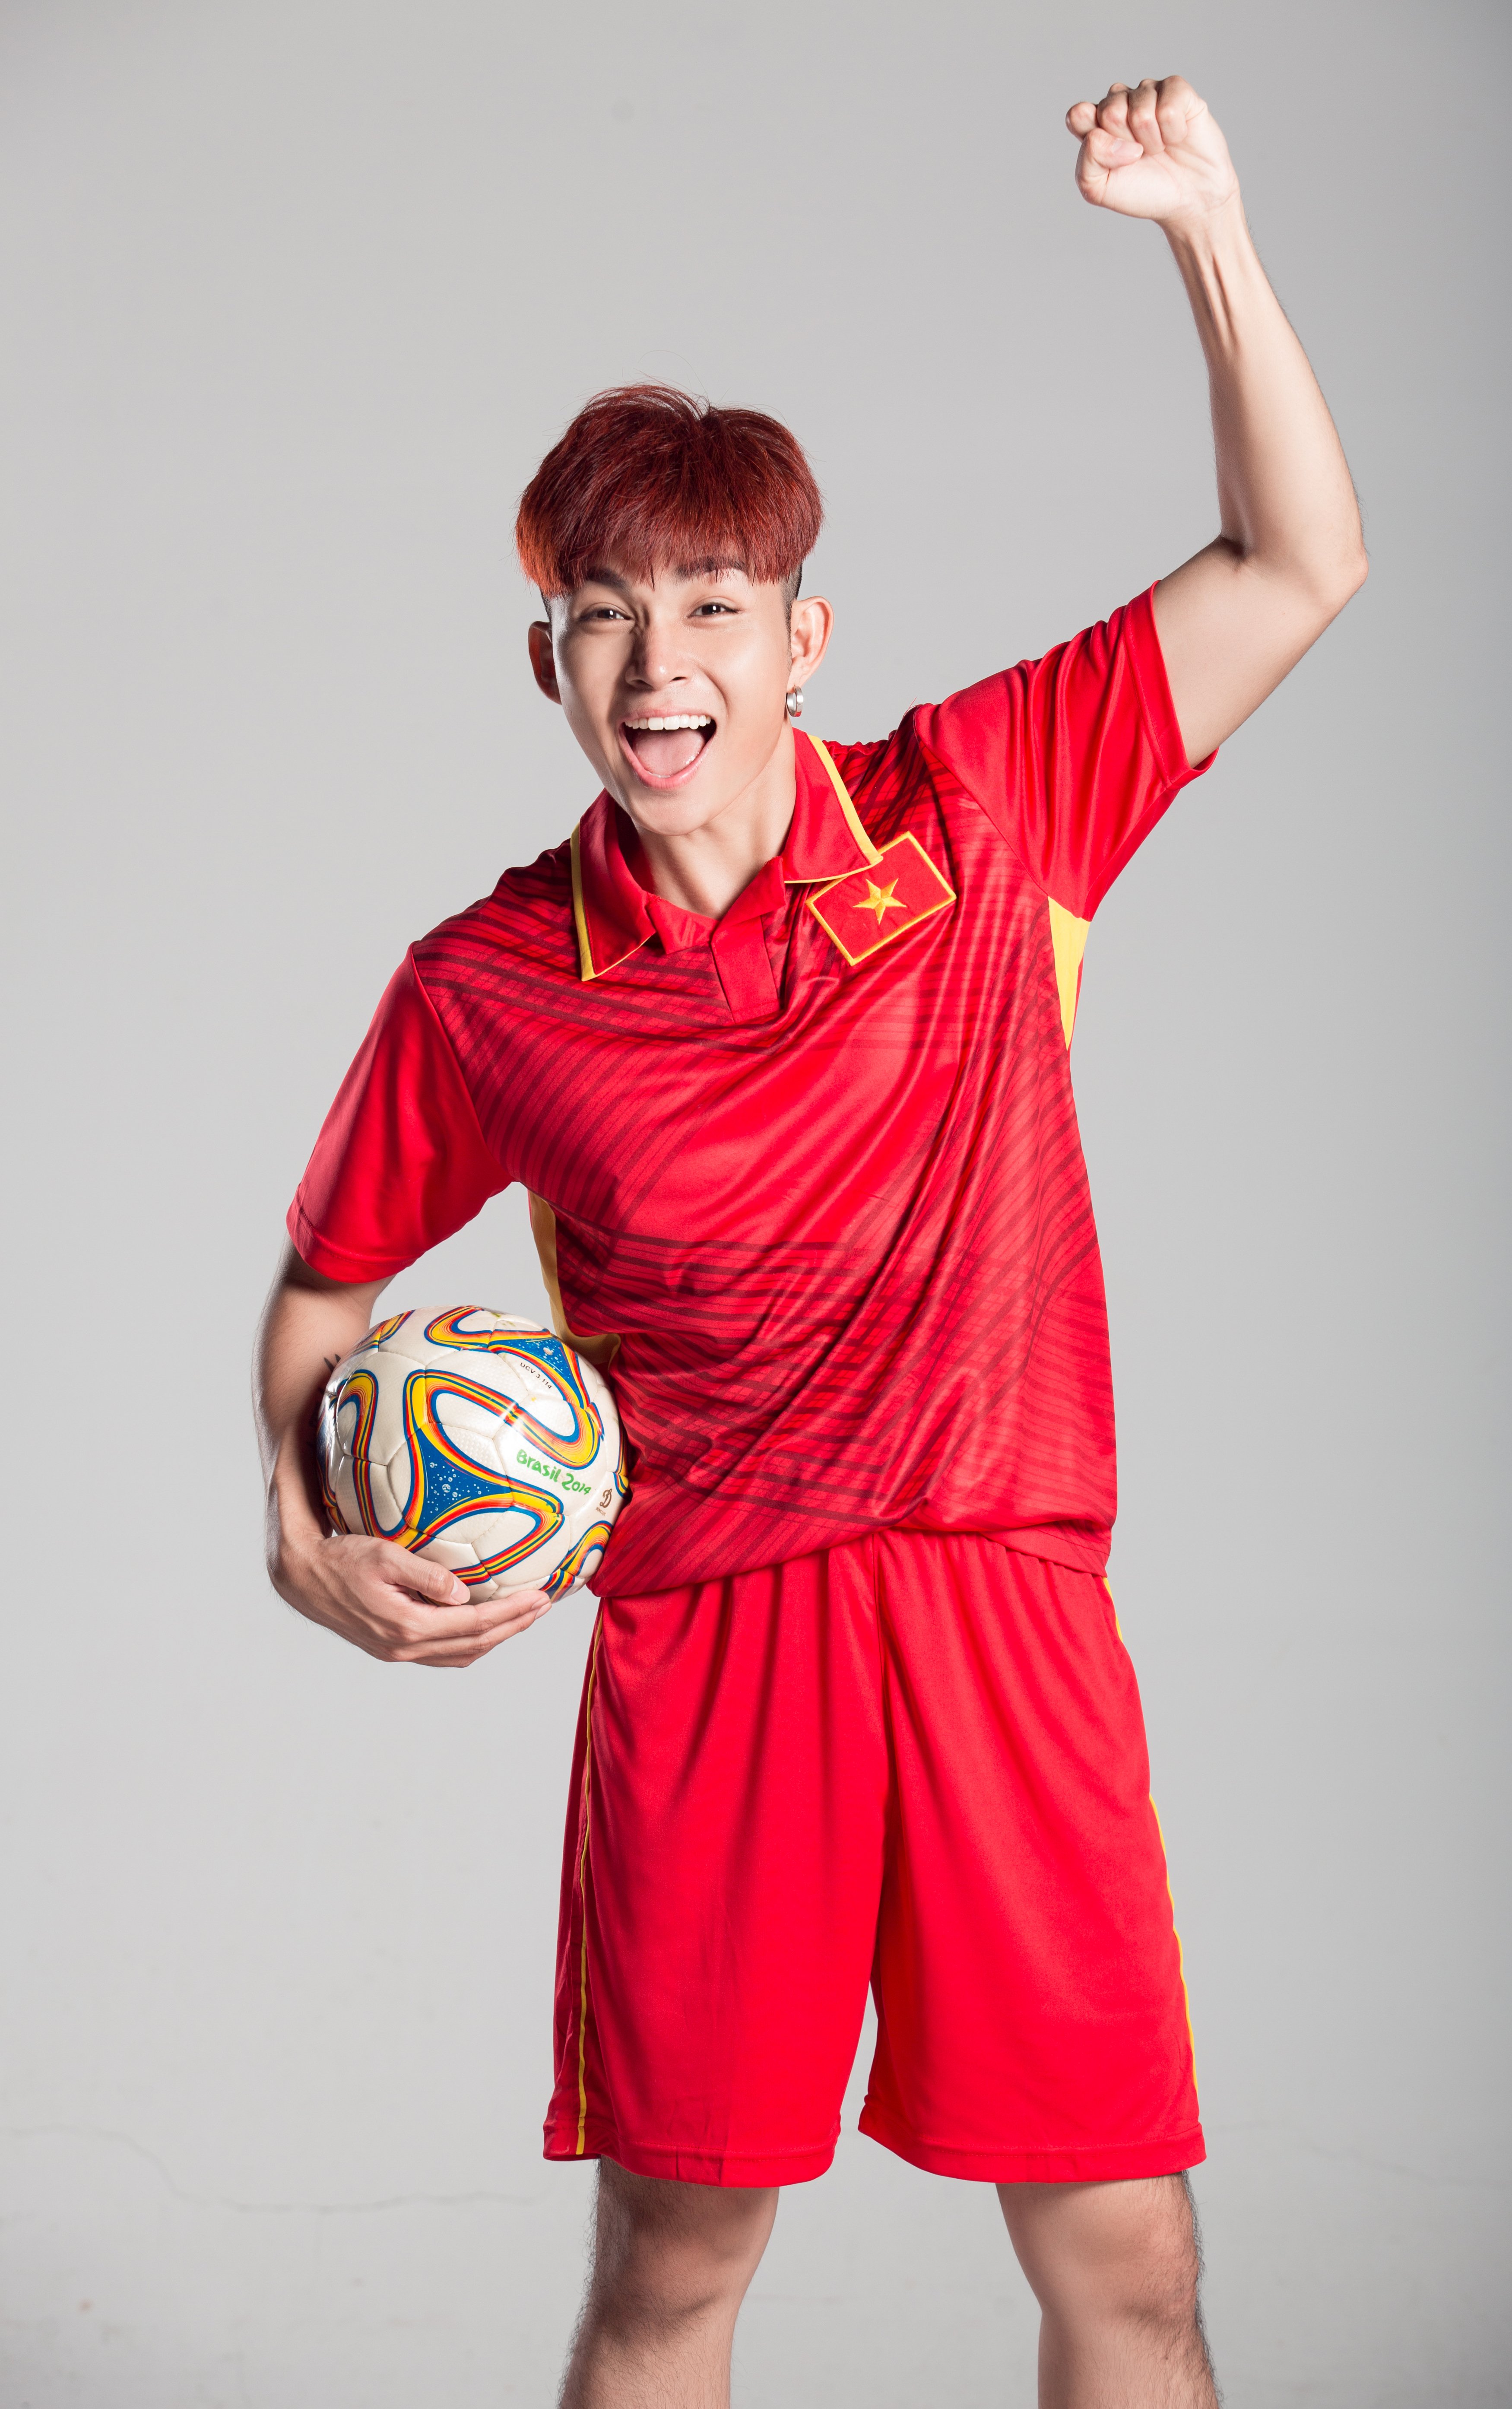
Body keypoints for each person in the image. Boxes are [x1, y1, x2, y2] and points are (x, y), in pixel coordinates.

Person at [254, 75, 1364, 2409]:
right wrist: (304, 1534)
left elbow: (1297, 565)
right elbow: (324, 1299)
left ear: (801, 635)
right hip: (708, 1647)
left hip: (1000, 1605)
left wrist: (1209, 229)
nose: (658, 663)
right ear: (546, 660)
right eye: (602, 616)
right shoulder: (487, 986)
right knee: (674, 2272)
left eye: (712, 608)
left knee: (1132, 2260)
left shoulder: (988, 810)